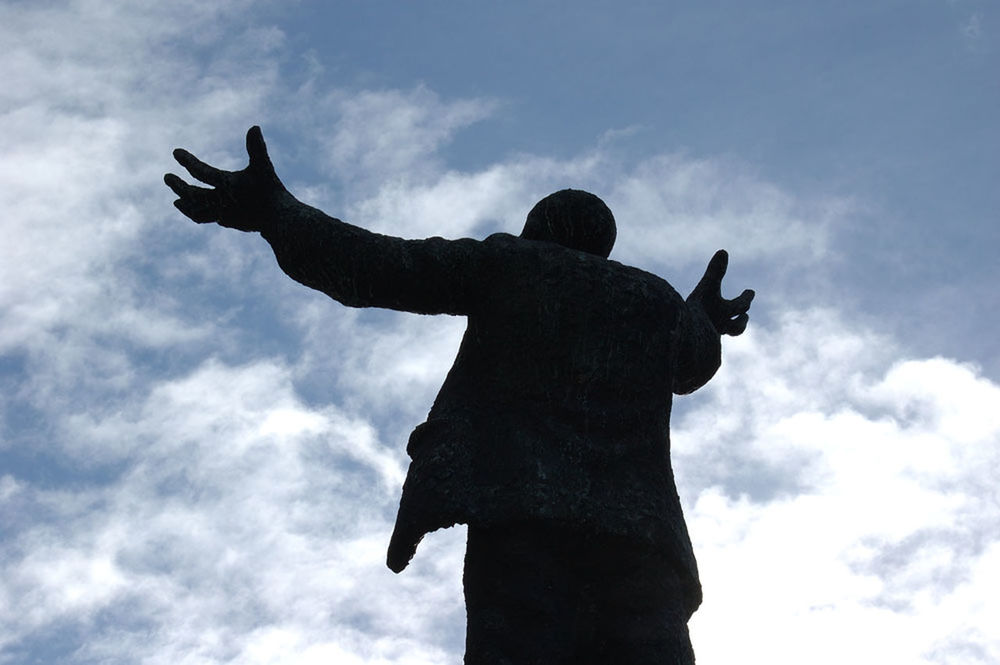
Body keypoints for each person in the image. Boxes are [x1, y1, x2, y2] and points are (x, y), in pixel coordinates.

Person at [165, 127, 754, 664]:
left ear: (537, 230)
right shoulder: (653, 302)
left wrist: (276, 212)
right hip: (642, 543)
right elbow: (693, 362)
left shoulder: (510, 264)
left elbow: (375, 266)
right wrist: (699, 311)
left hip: (519, 515)